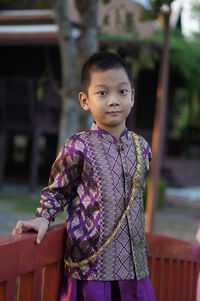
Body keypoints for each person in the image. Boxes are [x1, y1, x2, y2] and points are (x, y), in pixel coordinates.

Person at [12, 52, 156, 301]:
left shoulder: (143, 147)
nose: (113, 100)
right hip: (91, 266)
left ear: (132, 96)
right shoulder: (78, 146)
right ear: (84, 100)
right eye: (102, 93)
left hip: (134, 268)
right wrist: (42, 217)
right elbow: (58, 190)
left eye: (121, 92)